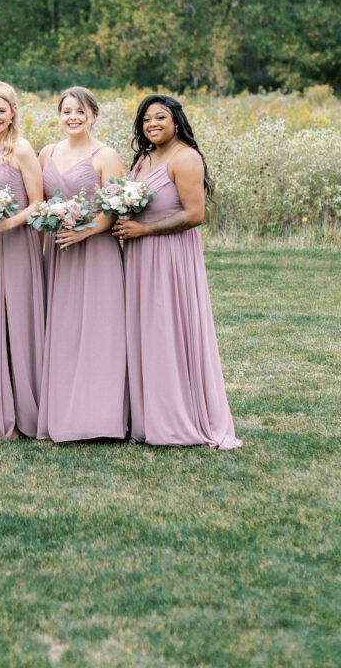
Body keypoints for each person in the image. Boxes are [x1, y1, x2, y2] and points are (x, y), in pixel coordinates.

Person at [114, 94, 241, 449]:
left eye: (160, 117)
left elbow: (194, 215)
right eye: (146, 119)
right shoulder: (144, 158)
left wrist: (145, 230)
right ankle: (145, 418)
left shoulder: (186, 158)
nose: (152, 124)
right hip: (138, 256)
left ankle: (176, 419)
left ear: (176, 121)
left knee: (167, 330)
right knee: (143, 333)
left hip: (169, 256)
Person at [37, 87, 128, 442]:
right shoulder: (46, 153)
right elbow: (40, 203)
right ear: (59, 116)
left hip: (96, 252)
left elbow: (113, 210)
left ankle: (100, 418)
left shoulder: (106, 156)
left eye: (80, 111)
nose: (73, 117)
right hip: (59, 254)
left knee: (99, 330)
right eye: (66, 111)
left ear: (94, 115)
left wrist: (84, 232)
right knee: (64, 331)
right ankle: (64, 412)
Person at [0, 81, 45, 439]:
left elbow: (38, 203)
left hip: (17, 244)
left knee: (17, 319)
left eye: (1, 110)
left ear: (13, 112)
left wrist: (6, 224)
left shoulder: (22, 148)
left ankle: (24, 411)